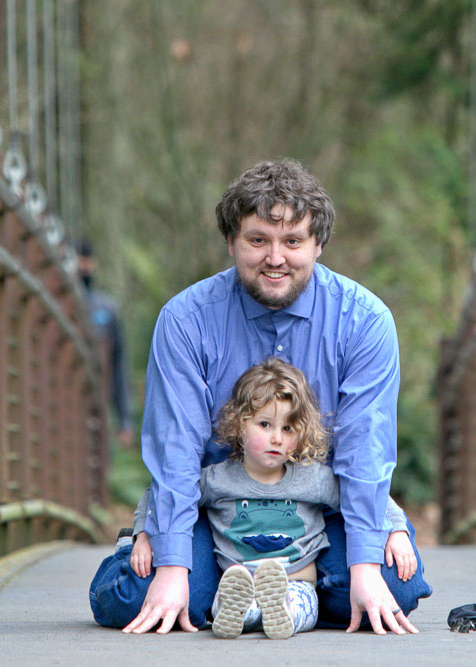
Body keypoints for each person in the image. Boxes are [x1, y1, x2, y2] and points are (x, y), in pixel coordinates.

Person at [88, 158, 431, 636]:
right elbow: (177, 447)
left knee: (394, 590)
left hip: (318, 514)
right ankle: (173, 560)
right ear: (231, 242)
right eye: (258, 240)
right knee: (139, 602)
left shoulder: (364, 321)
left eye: (292, 241)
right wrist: (169, 559)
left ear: (318, 245)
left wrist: (369, 560)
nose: (275, 258)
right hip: (217, 514)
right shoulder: (186, 320)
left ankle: (273, 596)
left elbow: (363, 449)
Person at [128, 358, 418, 639]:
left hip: (296, 584)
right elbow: (164, 492)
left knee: (296, 606)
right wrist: (143, 533)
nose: (277, 438)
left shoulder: (312, 478)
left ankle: (280, 615)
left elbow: (365, 495)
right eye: (265, 425)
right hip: (237, 582)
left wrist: (396, 529)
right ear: (240, 425)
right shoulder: (217, 480)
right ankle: (236, 614)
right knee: (229, 603)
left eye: (287, 428)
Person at [77, 241, 133, 446]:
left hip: (99, 407)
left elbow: (119, 363)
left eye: (88, 262)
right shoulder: (60, 304)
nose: (85, 267)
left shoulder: (107, 309)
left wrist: (124, 420)